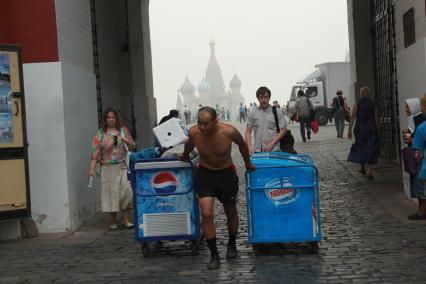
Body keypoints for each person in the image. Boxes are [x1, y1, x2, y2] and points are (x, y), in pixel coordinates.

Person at [180, 107, 255, 270]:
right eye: (199, 123)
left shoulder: (228, 132)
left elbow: (242, 145)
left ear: (216, 121)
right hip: (205, 175)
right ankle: (214, 255)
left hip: (226, 175)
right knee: (206, 213)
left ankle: (232, 243)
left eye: (206, 124)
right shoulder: (194, 132)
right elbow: (189, 144)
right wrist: (185, 155)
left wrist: (248, 163)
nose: (201, 127)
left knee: (230, 211)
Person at [87, 107, 135, 230]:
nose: (111, 119)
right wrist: (91, 169)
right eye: (109, 117)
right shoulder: (101, 134)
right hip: (107, 167)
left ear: (116, 118)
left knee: (126, 191)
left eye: (113, 117)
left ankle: (126, 219)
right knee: (110, 194)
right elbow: (95, 153)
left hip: (122, 165)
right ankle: (113, 221)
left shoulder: (123, 130)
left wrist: (126, 140)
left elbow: (133, 146)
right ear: (105, 119)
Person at [347, 87, 379, 180]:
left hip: (360, 129)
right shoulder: (373, 104)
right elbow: (376, 118)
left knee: (361, 147)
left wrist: (349, 130)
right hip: (371, 129)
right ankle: (370, 171)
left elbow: (352, 117)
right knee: (371, 149)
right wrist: (378, 128)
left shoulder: (358, 103)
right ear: (369, 94)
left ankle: (362, 167)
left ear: (361, 94)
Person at [245, 86, 287, 153]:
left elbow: (284, 129)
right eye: (261, 97)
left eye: (265, 97)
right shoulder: (253, 112)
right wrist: (249, 147)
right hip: (258, 151)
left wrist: (272, 143)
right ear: (258, 99)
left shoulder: (277, 112)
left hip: (274, 150)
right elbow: (248, 131)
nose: (263, 99)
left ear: (269, 98)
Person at [403, 98, 426, 220]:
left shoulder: (418, 123)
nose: (406, 110)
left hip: (419, 158)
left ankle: (422, 211)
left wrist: (409, 138)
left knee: (419, 185)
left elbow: (418, 143)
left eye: (407, 107)